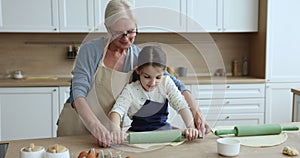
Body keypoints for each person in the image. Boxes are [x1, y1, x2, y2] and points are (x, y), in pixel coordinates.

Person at [57, 0, 210, 148]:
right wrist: (94, 126)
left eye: (131, 31)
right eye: (119, 33)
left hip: (112, 132)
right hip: (80, 125)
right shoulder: (90, 51)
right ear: (108, 28)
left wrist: (196, 113)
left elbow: (173, 83)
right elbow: (78, 92)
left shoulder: (138, 56)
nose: (126, 38)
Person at [109, 46, 199, 144]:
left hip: (163, 135)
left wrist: (191, 127)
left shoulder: (166, 83)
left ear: (164, 71)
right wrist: (116, 131)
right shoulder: (131, 90)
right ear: (138, 70)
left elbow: (182, 106)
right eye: (147, 77)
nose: (152, 82)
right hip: (138, 137)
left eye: (158, 77)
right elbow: (117, 111)